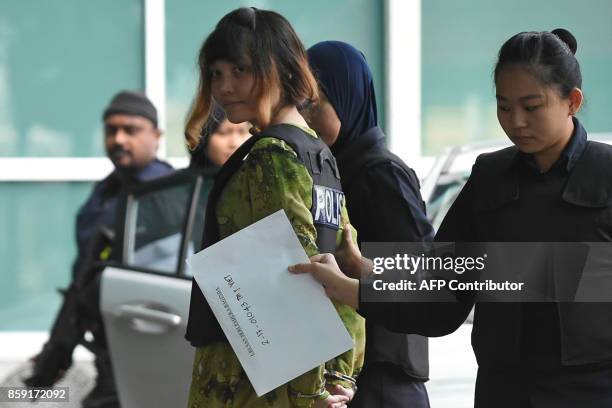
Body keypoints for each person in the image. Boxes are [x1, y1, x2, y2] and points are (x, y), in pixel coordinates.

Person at [291, 29, 612, 407]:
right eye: (504, 106)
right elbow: (441, 295)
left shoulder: (605, 174)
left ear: (572, 101)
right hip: (503, 394)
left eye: (532, 106)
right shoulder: (490, 177)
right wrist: (360, 276)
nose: (516, 122)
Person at [183, 7, 365, 408]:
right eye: (216, 73)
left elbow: (297, 277)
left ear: (280, 69)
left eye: (240, 71)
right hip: (291, 375)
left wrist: (307, 393)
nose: (225, 87)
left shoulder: (272, 154)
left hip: (252, 378)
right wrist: (340, 377)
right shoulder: (317, 150)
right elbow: (342, 264)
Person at [24, 91, 173, 408]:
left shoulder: (169, 194)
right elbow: (84, 276)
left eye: (130, 130)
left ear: (157, 136)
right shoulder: (105, 192)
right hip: (108, 343)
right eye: (111, 130)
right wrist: (58, 348)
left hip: (153, 343)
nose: (119, 139)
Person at [305, 41, 433, 408]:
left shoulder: (381, 173)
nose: (307, 117)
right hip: (353, 376)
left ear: (347, 98)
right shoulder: (331, 170)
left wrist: (358, 266)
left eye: (315, 104)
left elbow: (425, 275)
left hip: (384, 376)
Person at [189, 103, 251, 169]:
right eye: (224, 133)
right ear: (202, 137)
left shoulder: (256, 176)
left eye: (242, 131)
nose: (235, 143)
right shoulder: (186, 179)